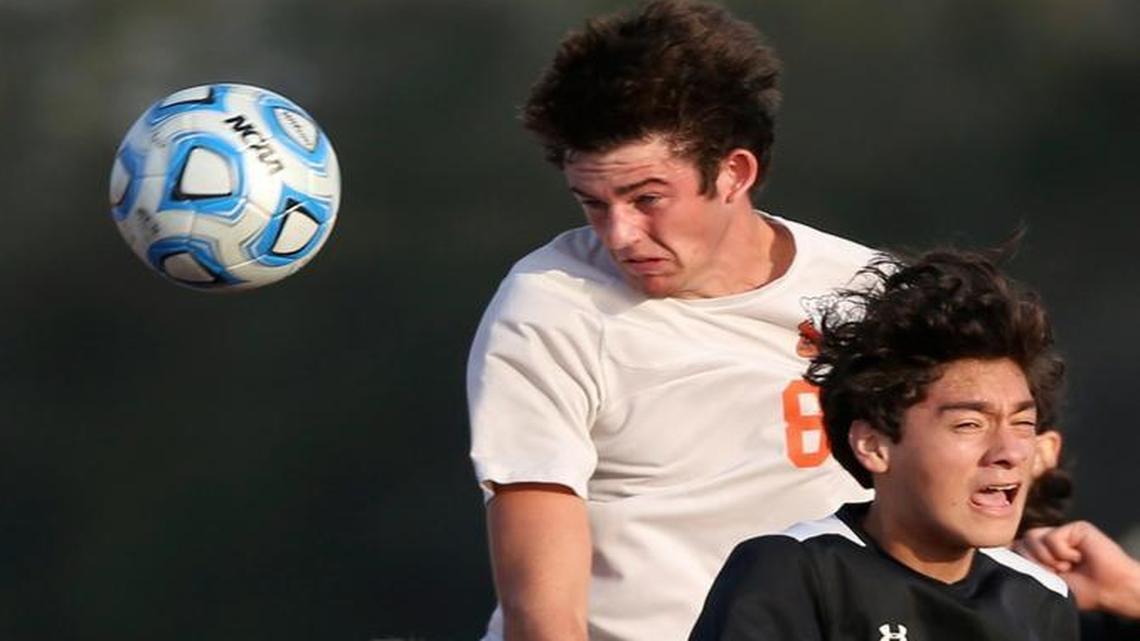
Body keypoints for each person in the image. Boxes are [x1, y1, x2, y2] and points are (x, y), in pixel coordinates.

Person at [466, 2, 877, 639]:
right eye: (593, 203)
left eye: (647, 198)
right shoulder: (550, 306)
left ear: (735, 172)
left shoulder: (872, 297)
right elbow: (541, 615)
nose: (620, 235)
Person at [690, 250, 1079, 640]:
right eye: (969, 425)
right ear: (873, 445)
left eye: (1023, 424)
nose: (1010, 452)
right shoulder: (793, 571)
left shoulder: (1041, 600)